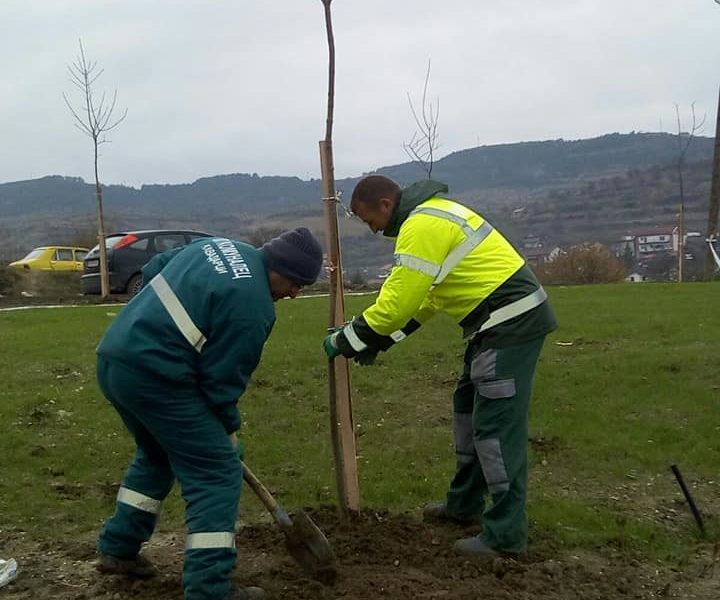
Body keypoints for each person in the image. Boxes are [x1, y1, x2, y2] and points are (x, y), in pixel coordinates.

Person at [323, 175, 557, 557]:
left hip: (510, 323)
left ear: (385, 204)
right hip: (494, 325)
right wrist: (380, 341)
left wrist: (345, 339)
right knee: (467, 409)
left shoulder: (420, 224)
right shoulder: (432, 217)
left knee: (496, 429)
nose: (373, 230)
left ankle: (505, 536)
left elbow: (397, 304)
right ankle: (463, 505)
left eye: (370, 220)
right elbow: (428, 300)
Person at [95, 228, 323, 600]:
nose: (294, 293)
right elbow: (220, 384)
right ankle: (209, 588)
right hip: (158, 378)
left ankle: (118, 548)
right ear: (279, 266)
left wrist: (154, 322)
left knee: (157, 455)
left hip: (116, 358)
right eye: (295, 283)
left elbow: (155, 268)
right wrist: (227, 436)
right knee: (217, 473)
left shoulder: (218, 246)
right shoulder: (253, 309)